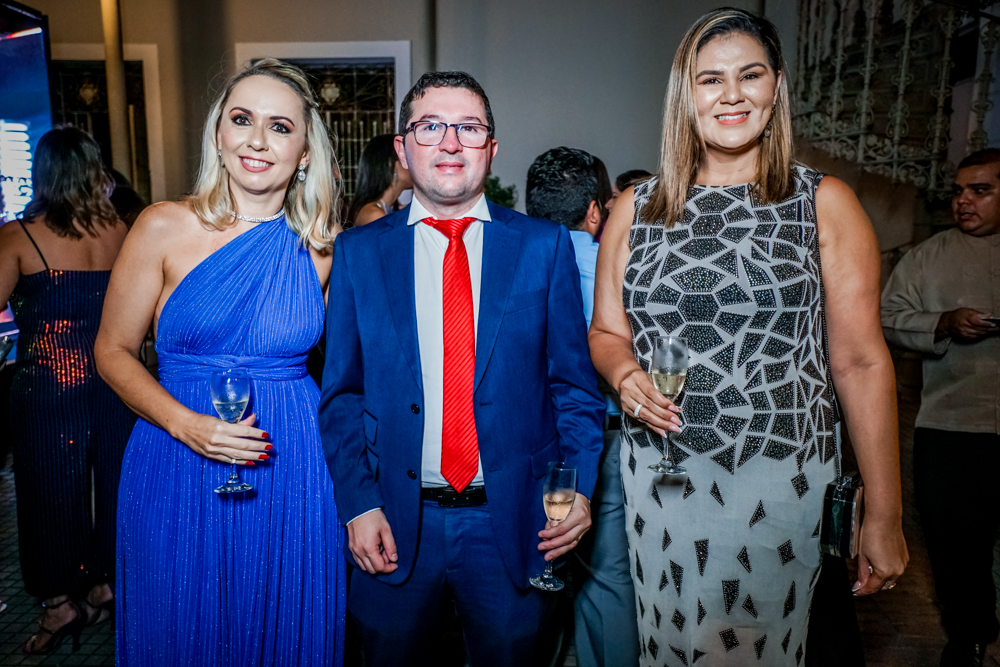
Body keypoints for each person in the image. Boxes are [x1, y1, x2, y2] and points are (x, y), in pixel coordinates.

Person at [589, 9, 908, 665]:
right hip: (663, 480)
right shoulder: (636, 209)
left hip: (776, 483)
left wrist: (885, 512)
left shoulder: (823, 204)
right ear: (686, 94)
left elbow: (860, 362)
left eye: (750, 75)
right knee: (672, 644)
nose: (731, 94)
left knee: (743, 649)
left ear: (777, 87)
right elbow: (606, 331)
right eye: (711, 79)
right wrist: (623, 373)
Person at [320, 71, 604, 667]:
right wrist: (358, 504)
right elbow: (342, 395)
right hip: (393, 521)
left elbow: (575, 390)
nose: (450, 142)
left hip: (516, 523)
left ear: (491, 148)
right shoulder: (358, 252)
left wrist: (576, 491)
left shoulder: (543, 246)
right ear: (403, 149)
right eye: (430, 127)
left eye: (469, 128)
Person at [94, 59, 347, 666]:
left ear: (305, 152)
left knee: (285, 620)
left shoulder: (324, 246)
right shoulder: (162, 226)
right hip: (174, 452)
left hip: (291, 461)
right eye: (241, 119)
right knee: (181, 621)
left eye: (280, 127)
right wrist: (187, 426)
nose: (257, 140)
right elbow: (111, 351)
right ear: (218, 134)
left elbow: (354, 369)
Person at [0, 126, 134, 653]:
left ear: (43, 174)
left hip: (47, 388)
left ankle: (60, 604)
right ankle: (104, 585)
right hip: (115, 382)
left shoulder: (18, 236)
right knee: (110, 485)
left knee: (47, 493)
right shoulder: (120, 230)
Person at [881, 148, 1000, 667]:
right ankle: (967, 637)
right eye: (957, 191)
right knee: (954, 544)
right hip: (950, 424)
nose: (963, 201)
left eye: (980, 190)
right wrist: (943, 322)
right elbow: (887, 316)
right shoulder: (929, 255)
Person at [526, 147, 638, 667]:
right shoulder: (617, 269)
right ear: (595, 211)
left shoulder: (509, 263)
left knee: (528, 571)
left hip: (523, 444)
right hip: (603, 434)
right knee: (605, 578)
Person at [346, 134, 413, 226]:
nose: (414, 166)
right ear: (390, 164)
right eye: (408, 158)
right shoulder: (373, 215)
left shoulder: (390, 209)